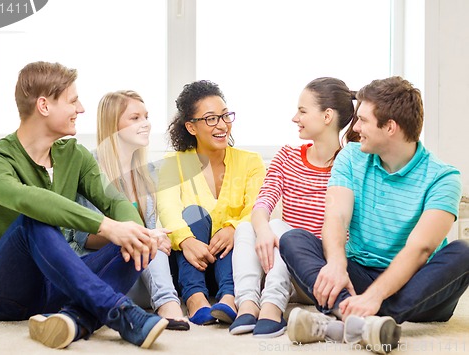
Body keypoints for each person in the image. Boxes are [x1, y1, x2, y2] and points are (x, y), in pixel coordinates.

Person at [0, 61, 169, 349]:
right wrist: (108, 227)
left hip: (60, 281)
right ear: (44, 106)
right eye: (73, 101)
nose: (82, 109)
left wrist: (136, 231)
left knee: (137, 241)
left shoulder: (73, 155)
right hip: (2, 293)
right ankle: (118, 312)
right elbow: (30, 199)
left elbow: (114, 201)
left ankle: (73, 321)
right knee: (34, 220)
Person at [280, 76, 469, 354]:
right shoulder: (351, 157)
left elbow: (420, 249)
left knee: (463, 251)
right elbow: (336, 217)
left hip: (418, 288)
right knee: (293, 238)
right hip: (359, 274)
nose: (355, 128)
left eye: (363, 121)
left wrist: (375, 297)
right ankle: (360, 321)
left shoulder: (444, 178)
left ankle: (344, 321)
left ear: (390, 127)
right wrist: (335, 263)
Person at [230, 77, 357, 338]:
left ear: (327, 116)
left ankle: (272, 309)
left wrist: (273, 229)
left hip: (320, 274)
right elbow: (263, 203)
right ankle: (248, 305)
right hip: (284, 270)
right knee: (247, 227)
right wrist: (263, 230)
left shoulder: (351, 165)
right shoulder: (287, 157)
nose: (294, 118)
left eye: (302, 111)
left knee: (279, 228)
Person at [67, 90, 189, 330]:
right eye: (135, 118)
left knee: (155, 236)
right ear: (113, 125)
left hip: (140, 275)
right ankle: (167, 305)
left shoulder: (148, 173)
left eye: (146, 117)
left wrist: (149, 238)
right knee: (147, 236)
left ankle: (167, 303)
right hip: (101, 271)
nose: (145, 124)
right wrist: (138, 237)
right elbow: (85, 238)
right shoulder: (89, 167)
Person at [157, 80, 266, 325]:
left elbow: (258, 207)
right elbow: (167, 208)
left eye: (225, 116)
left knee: (238, 228)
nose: (222, 125)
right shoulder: (173, 163)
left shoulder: (251, 161)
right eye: (211, 119)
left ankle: (229, 298)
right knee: (195, 212)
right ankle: (195, 298)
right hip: (189, 264)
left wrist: (233, 228)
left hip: (233, 265)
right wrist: (186, 241)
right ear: (191, 127)